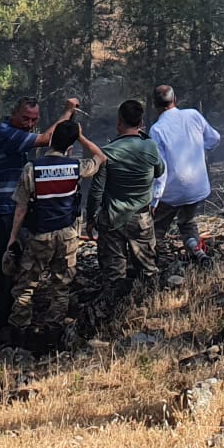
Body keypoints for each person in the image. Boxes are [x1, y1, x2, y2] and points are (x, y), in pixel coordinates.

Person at [3, 116, 106, 346]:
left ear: (51, 141)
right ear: (70, 147)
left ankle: (19, 336)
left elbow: (21, 207)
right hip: (68, 235)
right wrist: (80, 136)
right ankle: (53, 333)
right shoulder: (76, 166)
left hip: (39, 235)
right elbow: (100, 157)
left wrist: (12, 238)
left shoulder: (33, 168)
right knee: (61, 286)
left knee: (26, 286)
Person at [0, 96, 72, 333]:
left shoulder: (14, 133)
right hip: (3, 209)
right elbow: (45, 139)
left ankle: (4, 317)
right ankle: (3, 321)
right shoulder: (6, 134)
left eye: (34, 119)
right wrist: (66, 113)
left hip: (7, 208)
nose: (29, 124)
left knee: (12, 261)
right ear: (12, 114)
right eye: (25, 118)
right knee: (9, 262)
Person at [84, 98, 166, 319]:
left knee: (114, 274)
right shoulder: (149, 146)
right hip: (142, 218)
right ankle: (152, 311)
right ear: (140, 122)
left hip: (112, 219)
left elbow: (96, 191)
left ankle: (115, 318)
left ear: (119, 123)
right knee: (148, 269)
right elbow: (159, 171)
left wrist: (90, 218)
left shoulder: (107, 153)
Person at [147, 86, 220, 262]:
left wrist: (154, 200)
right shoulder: (193, 115)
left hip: (172, 191)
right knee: (187, 223)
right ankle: (198, 254)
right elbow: (215, 138)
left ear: (155, 105)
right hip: (197, 188)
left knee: (155, 229)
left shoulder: (157, 129)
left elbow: (161, 169)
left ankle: (159, 263)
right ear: (175, 99)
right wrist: (200, 149)